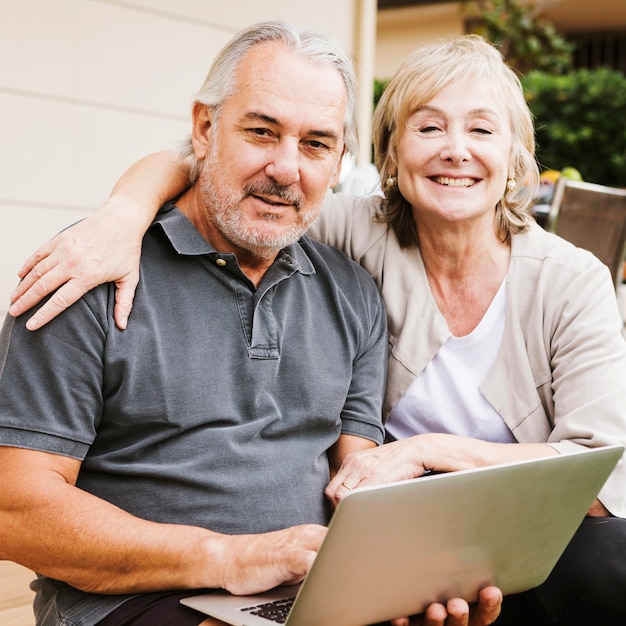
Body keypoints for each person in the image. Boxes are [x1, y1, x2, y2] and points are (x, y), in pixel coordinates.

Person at [12, 32, 626, 626]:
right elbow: (15, 507)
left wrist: (407, 575)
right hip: (153, 593)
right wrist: (120, 215)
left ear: (338, 163)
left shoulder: (354, 285)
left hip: (339, 578)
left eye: (315, 144)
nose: (286, 170)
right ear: (204, 128)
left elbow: (358, 478)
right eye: (260, 131)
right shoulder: (91, 272)